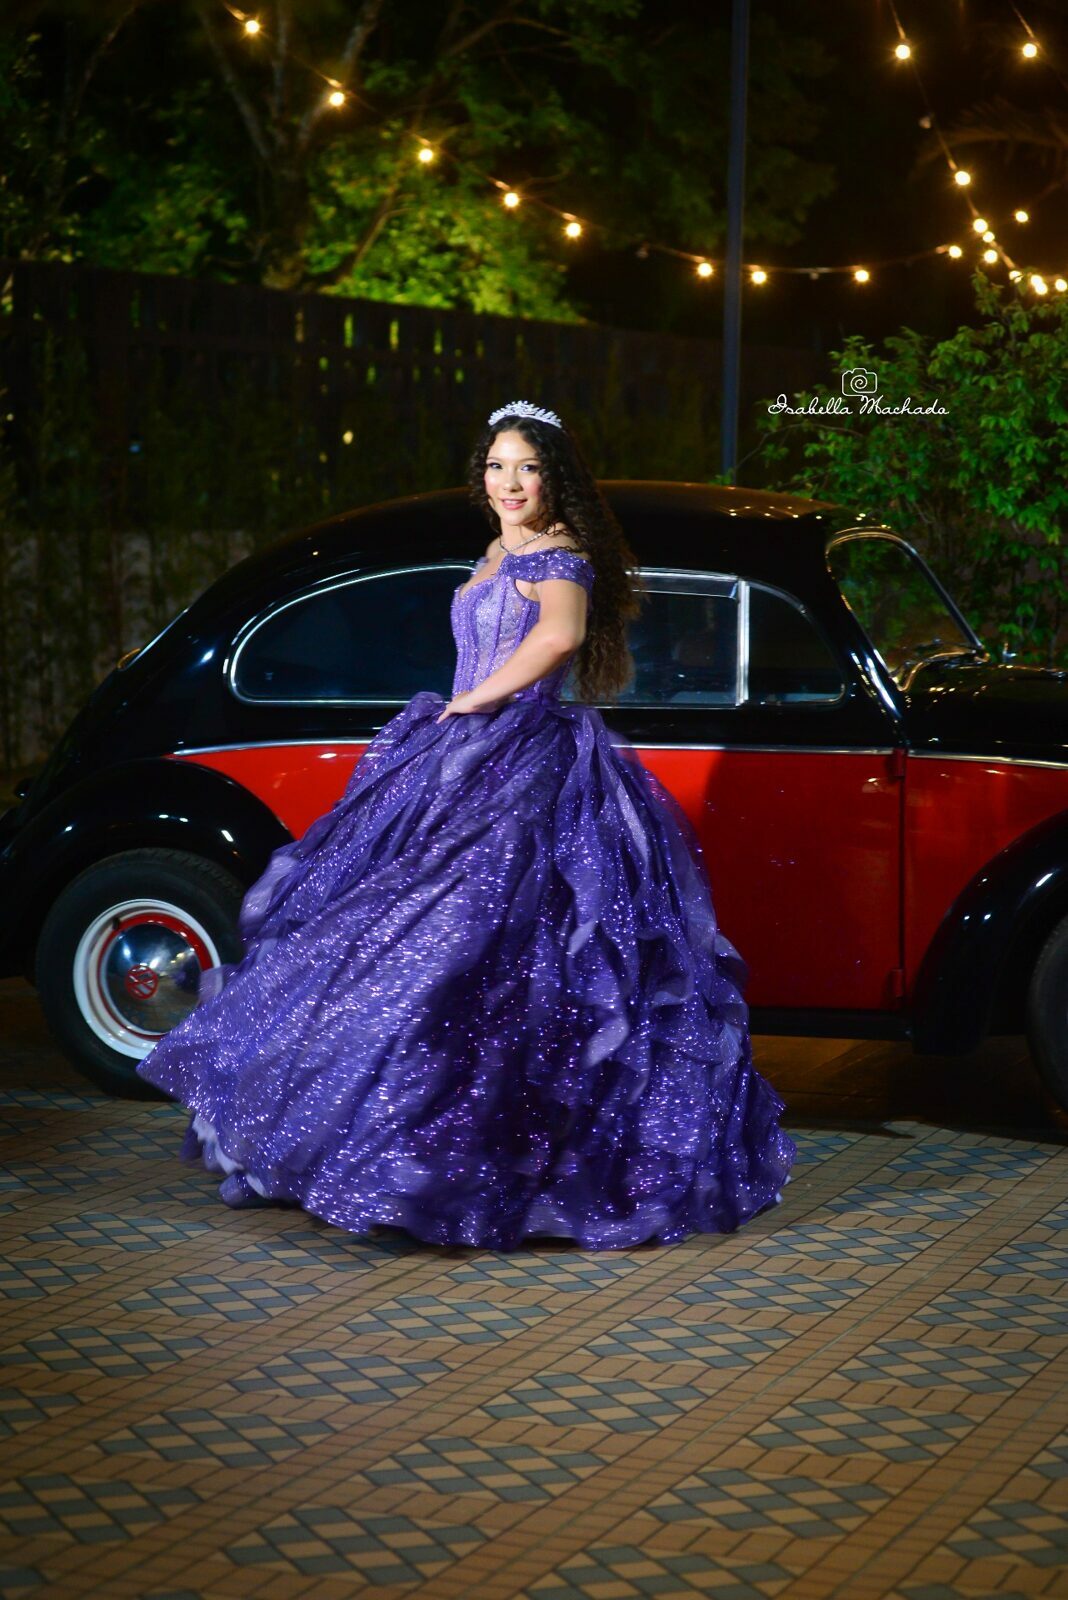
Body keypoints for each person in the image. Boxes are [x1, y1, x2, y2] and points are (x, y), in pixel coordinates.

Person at [136, 400, 796, 1249]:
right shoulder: (496, 552)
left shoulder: (562, 555)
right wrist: (462, 714)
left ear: (554, 478)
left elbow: (558, 637)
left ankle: (457, 1165)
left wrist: (477, 699)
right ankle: (381, 1150)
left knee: (477, 942)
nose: (510, 482)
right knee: (385, 931)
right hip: (460, 749)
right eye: (497, 466)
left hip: (526, 756)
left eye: (528, 467)